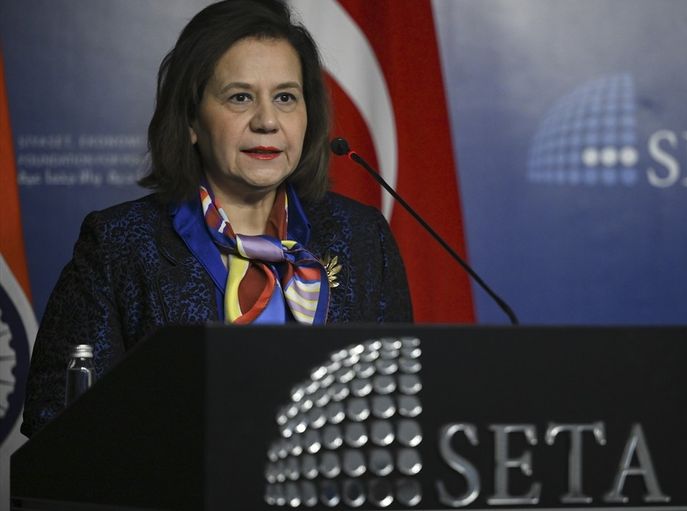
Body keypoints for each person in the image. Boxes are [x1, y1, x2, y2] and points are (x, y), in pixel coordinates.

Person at [22, 0, 412, 438]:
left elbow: (400, 411)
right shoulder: (117, 247)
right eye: (240, 97)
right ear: (191, 119)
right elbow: (56, 428)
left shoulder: (361, 238)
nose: (267, 121)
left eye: (285, 97)